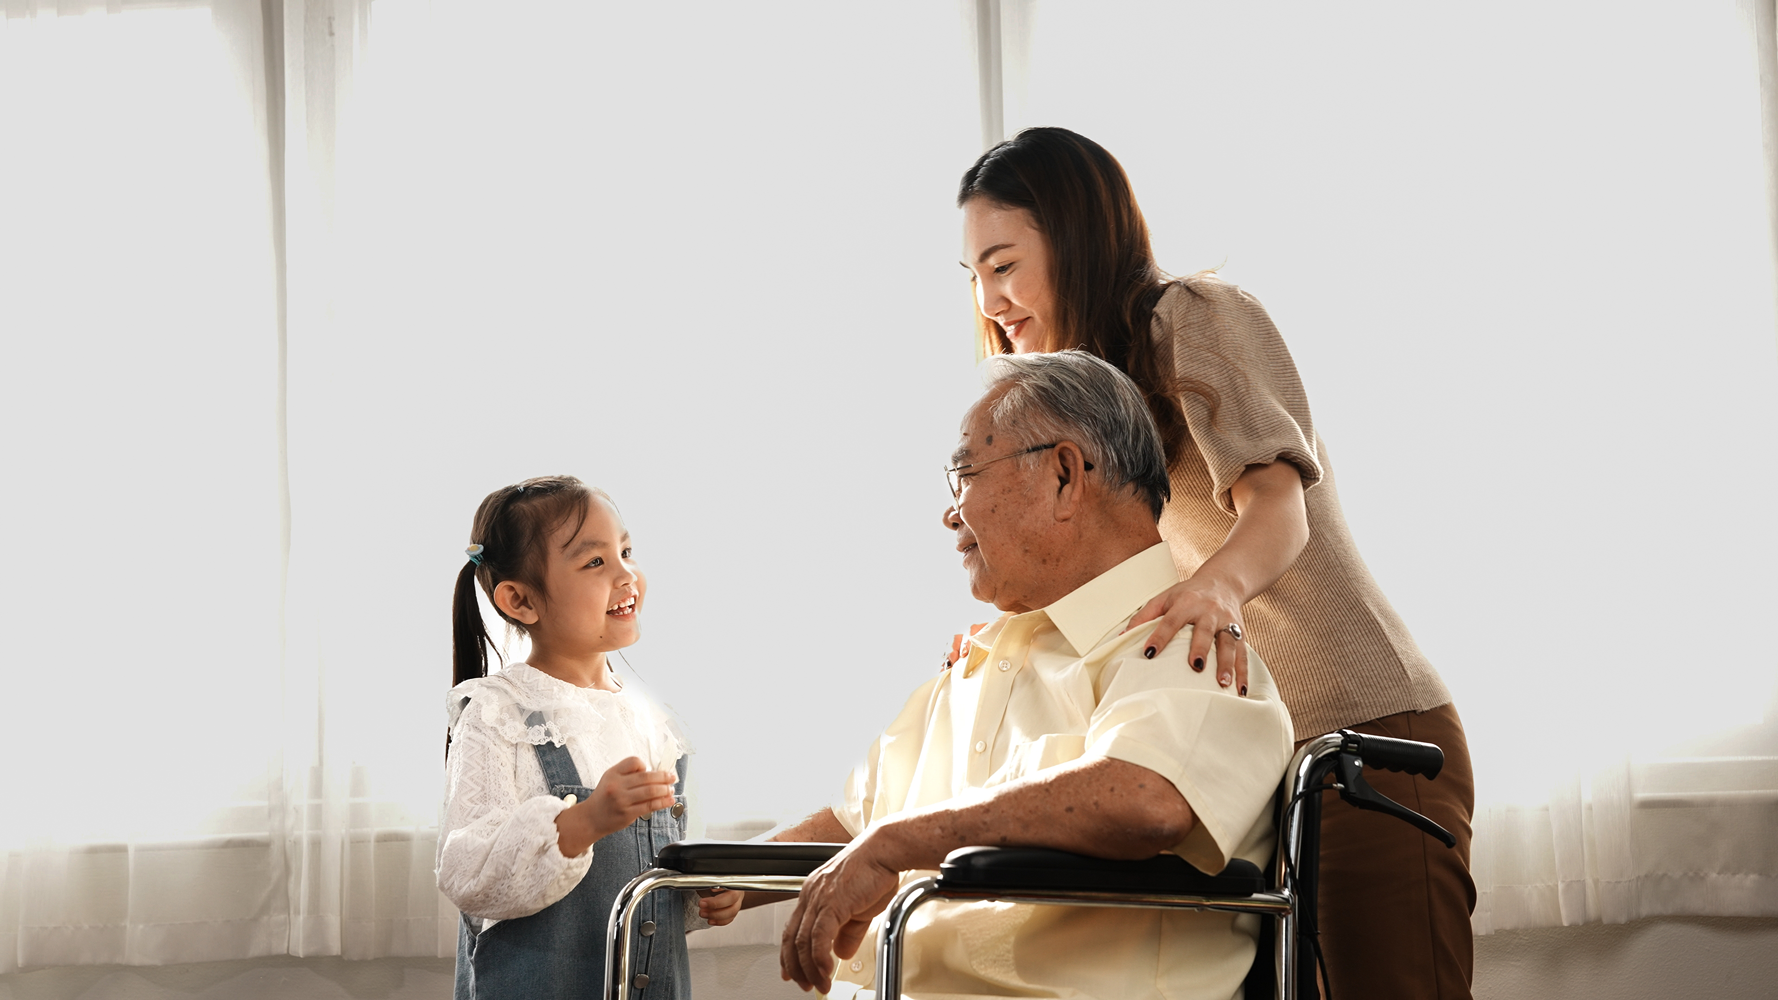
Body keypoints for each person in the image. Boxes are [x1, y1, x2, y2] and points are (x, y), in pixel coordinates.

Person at [955, 127, 1476, 999]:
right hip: (1253, 771)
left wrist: (1216, 588)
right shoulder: (1087, 406)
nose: (988, 298)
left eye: (1002, 265)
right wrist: (1011, 633)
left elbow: (1278, 505)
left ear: (1076, 234)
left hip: (1369, 736)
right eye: (971, 276)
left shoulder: (1191, 317)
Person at [771, 352, 1295, 999]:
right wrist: (715, 878)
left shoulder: (1188, 644)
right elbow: (857, 819)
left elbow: (1149, 799)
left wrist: (898, 843)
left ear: (1064, 474)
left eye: (962, 473)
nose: (949, 513)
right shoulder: (974, 663)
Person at [437, 476, 741, 1000]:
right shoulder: (498, 714)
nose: (627, 575)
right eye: (595, 562)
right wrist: (583, 822)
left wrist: (704, 893)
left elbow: (651, 872)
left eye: (626, 551)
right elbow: (467, 871)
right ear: (520, 600)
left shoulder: (655, 720)